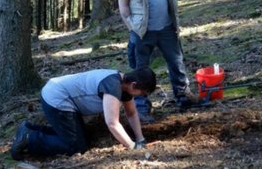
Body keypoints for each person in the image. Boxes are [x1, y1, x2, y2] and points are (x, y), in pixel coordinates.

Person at [117, 0, 196, 123]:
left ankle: (183, 96)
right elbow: (123, 5)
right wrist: (132, 28)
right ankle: (142, 107)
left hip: (167, 26)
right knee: (140, 69)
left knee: (176, 62)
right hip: (142, 30)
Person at [10, 67, 157, 160]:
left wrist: (140, 139)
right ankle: (30, 139)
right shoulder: (113, 86)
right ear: (133, 85)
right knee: (76, 147)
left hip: (62, 97)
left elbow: (131, 113)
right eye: (142, 93)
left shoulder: (123, 86)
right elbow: (112, 123)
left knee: (80, 138)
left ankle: (30, 129)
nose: (140, 96)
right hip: (57, 98)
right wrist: (132, 146)